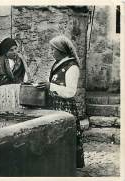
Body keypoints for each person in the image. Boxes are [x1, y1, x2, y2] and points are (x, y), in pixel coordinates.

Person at [40, 35, 85, 168]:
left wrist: (50, 86)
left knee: (64, 136)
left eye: (53, 49)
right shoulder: (58, 64)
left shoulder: (72, 67)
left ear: (61, 50)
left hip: (65, 108)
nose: (51, 52)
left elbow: (71, 92)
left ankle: (66, 165)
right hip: (54, 106)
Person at [0, 38, 31, 107]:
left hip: (18, 94)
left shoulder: (21, 61)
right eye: (11, 50)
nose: (14, 52)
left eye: (15, 49)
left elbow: (26, 79)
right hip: (4, 94)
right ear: (5, 51)